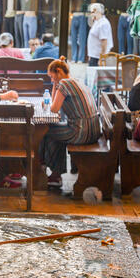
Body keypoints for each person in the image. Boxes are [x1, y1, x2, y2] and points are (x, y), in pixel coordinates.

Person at [40, 56, 101, 187]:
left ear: (58, 71)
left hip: (81, 132)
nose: (52, 80)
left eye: (52, 76)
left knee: (45, 130)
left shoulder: (65, 84)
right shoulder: (76, 81)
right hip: (93, 130)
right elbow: (54, 102)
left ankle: (49, 171)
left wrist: (55, 85)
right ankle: (53, 173)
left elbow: (54, 109)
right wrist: (55, 84)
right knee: (55, 130)